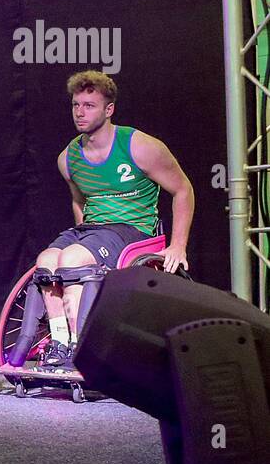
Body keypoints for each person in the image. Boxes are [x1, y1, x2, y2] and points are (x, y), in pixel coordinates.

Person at [31, 71, 193, 370]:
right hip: (93, 230)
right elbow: (79, 200)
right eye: (76, 105)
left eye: (89, 105)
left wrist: (178, 246)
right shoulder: (68, 158)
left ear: (109, 110)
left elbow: (183, 190)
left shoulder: (139, 146)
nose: (80, 112)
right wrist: (84, 234)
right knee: (47, 260)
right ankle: (60, 341)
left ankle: (82, 347)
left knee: (72, 259)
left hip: (134, 230)